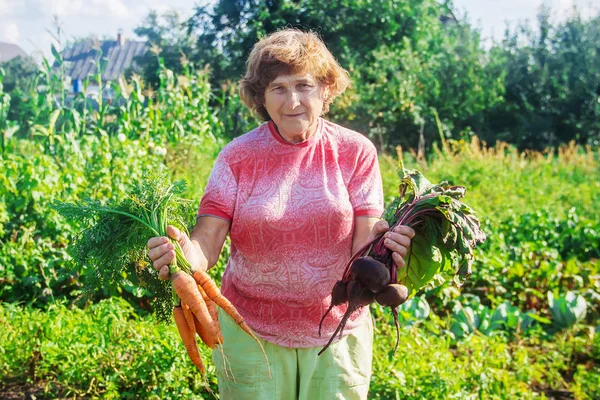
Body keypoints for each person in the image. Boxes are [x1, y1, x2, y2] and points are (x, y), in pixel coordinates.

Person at [147, 28, 415, 400]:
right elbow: (208, 239)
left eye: (304, 85)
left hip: (338, 331)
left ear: (326, 90)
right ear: (262, 97)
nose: (293, 101)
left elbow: (365, 240)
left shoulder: (355, 152)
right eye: (278, 88)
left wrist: (391, 249)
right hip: (250, 332)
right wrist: (183, 254)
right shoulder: (237, 156)